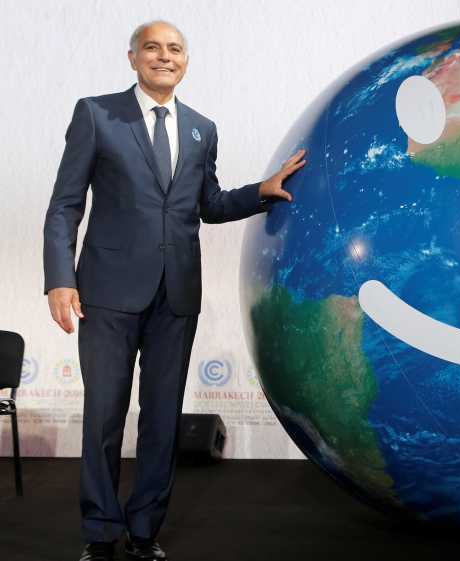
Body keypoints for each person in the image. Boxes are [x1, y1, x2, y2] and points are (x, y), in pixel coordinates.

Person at [43, 21, 305, 561]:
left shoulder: (202, 128)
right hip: (107, 293)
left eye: (175, 49)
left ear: (185, 60)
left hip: (177, 296)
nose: (165, 56)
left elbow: (208, 205)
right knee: (104, 418)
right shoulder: (96, 114)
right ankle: (99, 534)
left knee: (162, 421)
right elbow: (66, 204)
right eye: (153, 48)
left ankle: (144, 532)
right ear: (133, 58)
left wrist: (260, 191)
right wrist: (60, 279)